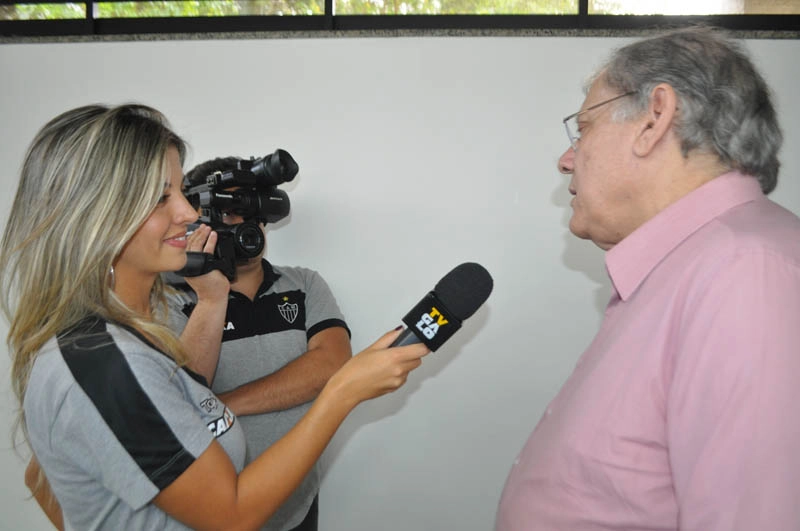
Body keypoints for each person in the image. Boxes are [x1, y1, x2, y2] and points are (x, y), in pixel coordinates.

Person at [1, 103, 429, 531]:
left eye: (181, 195)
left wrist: (211, 299)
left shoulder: (127, 339)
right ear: (97, 216)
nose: (187, 215)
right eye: (160, 198)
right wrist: (342, 392)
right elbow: (231, 514)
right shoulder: (106, 361)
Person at [496, 27, 800, 530]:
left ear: (655, 118)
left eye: (584, 129)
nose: (567, 158)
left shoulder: (748, 274)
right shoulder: (695, 265)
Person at [164, 156, 352, 531]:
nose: (245, 223)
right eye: (229, 211)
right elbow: (179, 399)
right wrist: (209, 298)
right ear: (200, 218)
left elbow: (331, 366)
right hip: (211, 512)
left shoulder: (304, 285)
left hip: (297, 505)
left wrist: (223, 406)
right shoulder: (169, 300)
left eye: (251, 209)